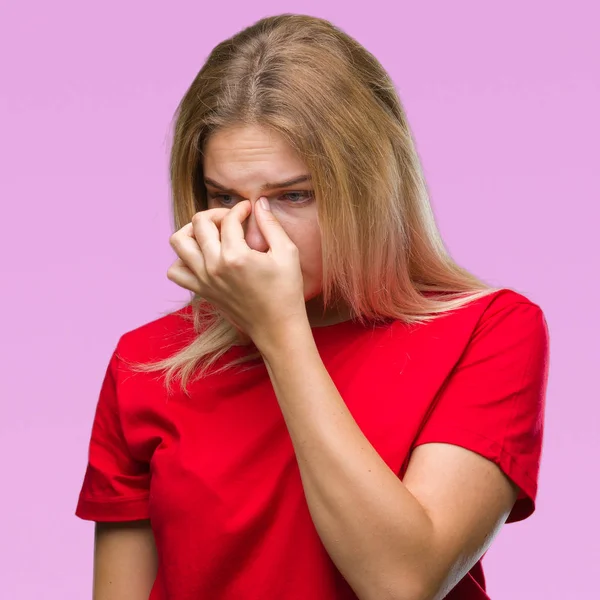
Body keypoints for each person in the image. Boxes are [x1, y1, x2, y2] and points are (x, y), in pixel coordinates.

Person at [75, 13, 550, 600]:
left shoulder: (489, 331)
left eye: (294, 196)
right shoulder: (147, 361)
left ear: (373, 184)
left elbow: (403, 582)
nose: (253, 235)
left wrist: (280, 333)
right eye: (225, 197)